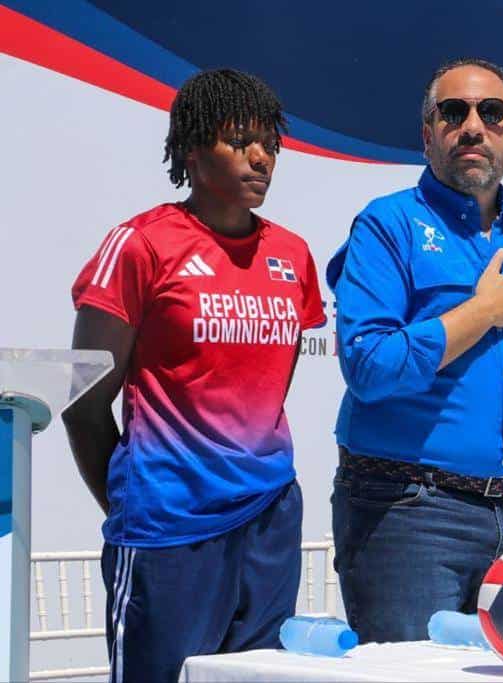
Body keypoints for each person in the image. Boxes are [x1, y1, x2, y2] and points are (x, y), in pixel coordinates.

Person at [62, 69, 325, 682]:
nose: (260, 159)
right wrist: (140, 505)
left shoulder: (292, 253)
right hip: (167, 524)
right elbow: (83, 407)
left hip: (269, 515)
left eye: (270, 145)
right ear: (191, 149)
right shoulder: (140, 245)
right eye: (239, 141)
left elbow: (268, 388)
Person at [326, 58, 503, 642]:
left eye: (491, 112)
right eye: (453, 113)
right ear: (428, 136)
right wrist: (481, 313)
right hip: (407, 515)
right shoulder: (386, 226)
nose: (473, 126)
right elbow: (370, 367)